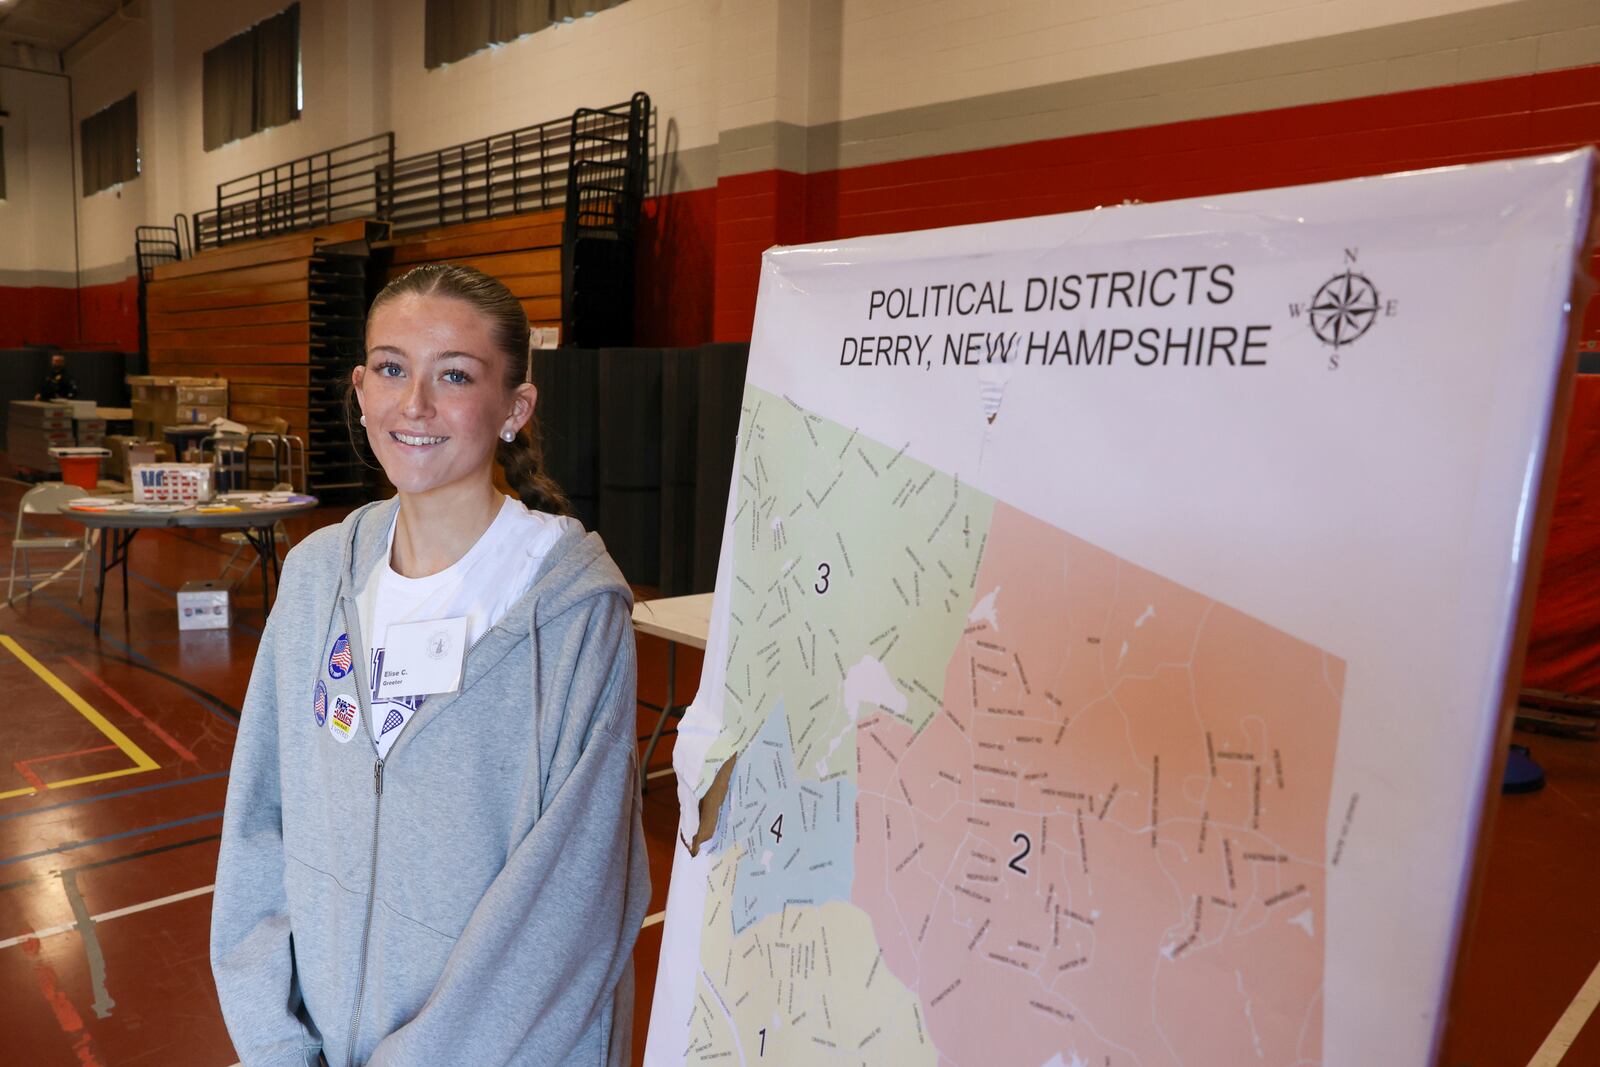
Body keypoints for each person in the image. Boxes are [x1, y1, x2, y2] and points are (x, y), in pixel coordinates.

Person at [211, 264, 649, 1066]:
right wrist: (276, 1043)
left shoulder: (575, 611)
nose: (414, 404)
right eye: (390, 368)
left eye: (453, 375)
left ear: (515, 409)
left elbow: (571, 907)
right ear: (361, 388)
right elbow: (258, 829)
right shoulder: (316, 579)